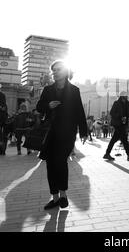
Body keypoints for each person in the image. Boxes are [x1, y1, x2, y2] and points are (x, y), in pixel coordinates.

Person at [36, 60, 88, 210]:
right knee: (50, 164)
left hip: (67, 132)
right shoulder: (47, 90)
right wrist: (48, 106)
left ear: (65, 71)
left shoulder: (74, 90)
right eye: (53, 70)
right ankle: (55, 198)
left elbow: (79, 111)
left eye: (58, 69)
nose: (55, 72)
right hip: (50, 132)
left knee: (60, 161)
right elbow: (39, 107)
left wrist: (84, 131)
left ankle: (63, 195)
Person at [103, 91, 129, 161]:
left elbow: (128, 113)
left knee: (115, 139)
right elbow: (112, 113)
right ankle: (128, 155)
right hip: (117, 124)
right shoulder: (116, 103)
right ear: (122, 97)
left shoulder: (127, 103)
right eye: (125, 96)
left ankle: (107, 154)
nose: (126, 98)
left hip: (123, 124)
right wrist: (120, 116)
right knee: (124, 139)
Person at [0, 87, 8, 155]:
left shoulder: (2, 95)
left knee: (3, 136)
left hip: (2, 118)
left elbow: (3, 107)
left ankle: (2, 151)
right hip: (3, 118)